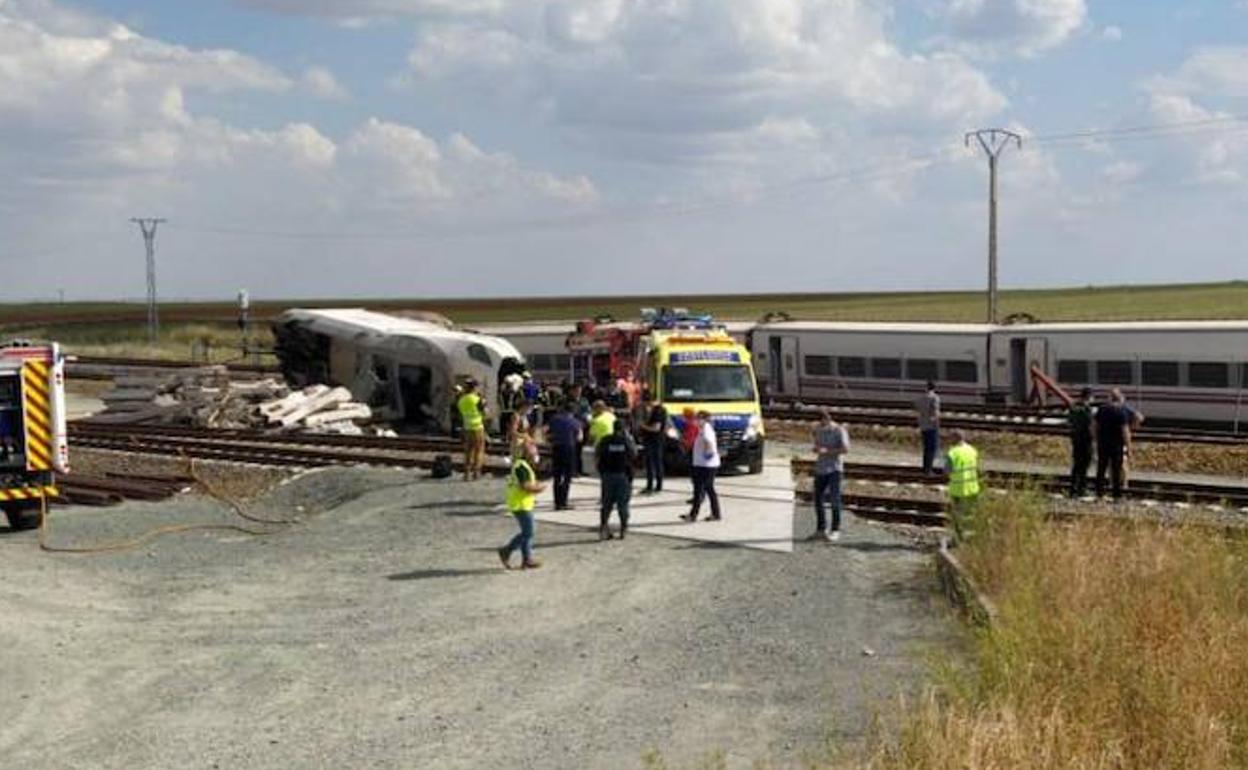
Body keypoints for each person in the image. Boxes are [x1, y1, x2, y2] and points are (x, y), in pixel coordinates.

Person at [498, 439, 546, 570]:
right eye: (533, 448)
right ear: (526, 451)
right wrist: (539, 488)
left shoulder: (524, 465)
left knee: (527, 532)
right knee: (528, 532)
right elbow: (525, 486)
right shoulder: (521, 466)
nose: (536, 451)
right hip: (520, 504)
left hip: (523, 503)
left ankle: (527, 559)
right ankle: (506, 550)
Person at [810, 409, 850, 542]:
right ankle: (821, 529)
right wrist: (816, 448)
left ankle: (835, 529)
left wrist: (827, 451)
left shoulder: (839, 430)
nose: (820, 426)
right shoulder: (817, 430)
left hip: (834, 469)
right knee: (818, 499)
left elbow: (845, 449)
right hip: (820, 468)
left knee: (834, 500)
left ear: (827, 420)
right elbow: (817, 445)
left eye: (821, 423)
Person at [596, 420, 637, 540]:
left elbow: (598, 455)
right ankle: (623, 529)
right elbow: (634, 455)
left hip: (607, 475)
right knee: (623, 505)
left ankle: (603, 528)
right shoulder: (626, 441)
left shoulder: (605, 440)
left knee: (606, 504)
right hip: (623, 476)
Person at [681, 411, 722, 523]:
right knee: (707, 489)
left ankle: (694, 515)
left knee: (701, 489)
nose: (696, 420)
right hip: (704, 464)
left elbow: (709, 443)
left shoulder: (706, 429)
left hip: (705, 465)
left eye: (698, 418)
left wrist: (708, 454)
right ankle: (715, 513)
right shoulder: (704, 429)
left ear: (704, 419)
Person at [1095, 388, 1130, 501]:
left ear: (1110, 398)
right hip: (1116, 445)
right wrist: (1128, 446)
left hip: (1103, 443)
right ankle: (1116, 495)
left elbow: (1093, 425)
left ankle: (1099, 493)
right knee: (1116, 469)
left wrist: (1096, 439)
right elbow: (1125, 431)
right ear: (1119, 399)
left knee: (1101, 468)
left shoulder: (1102, 409)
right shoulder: (1121, 411)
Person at [945, 429, 980, 541]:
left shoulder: (953, 453)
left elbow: (947, 470)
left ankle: (959, 537)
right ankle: (971, 535)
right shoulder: (972, 450)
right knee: (970, 513)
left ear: (955, 438)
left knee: (957, 515)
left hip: (958, 489)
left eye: (950, 438)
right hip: (972, 486)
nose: (949, 440)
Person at [547, 402, 582, 511]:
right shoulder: (575, 422)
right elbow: (579, 437)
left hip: (556, 448)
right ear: (573, 411)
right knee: (567, 476)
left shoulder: (554, 419)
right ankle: (564, 501)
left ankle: (557, 502)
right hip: (568, 449)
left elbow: (547, 431)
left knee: (557, 476)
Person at [456, 380, 487, 481]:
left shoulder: (461, 400)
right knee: (479, 450)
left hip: (467, 427)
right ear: (474, 388)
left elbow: (461, 413)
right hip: (478, 427)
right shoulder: (477, 400)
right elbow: (485, 413)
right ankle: (476, 472)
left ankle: (466, 473)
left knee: (468, 451)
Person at [638, 391, 668, 494]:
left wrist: (643, 426)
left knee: (654, 462)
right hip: (652, 439)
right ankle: (652, 485)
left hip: (655, 440)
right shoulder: (657, 410)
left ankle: (655, 486)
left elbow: (656, 428)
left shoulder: (658, 411)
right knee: (651, 463)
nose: (646, 406)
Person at [1067, 387, 1095, 498]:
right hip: (1085, 440)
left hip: (1075, 440)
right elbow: (1090, 425)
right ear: (1089, 397)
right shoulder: (1087, 409)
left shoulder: (1073, 408)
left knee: (1076, 465)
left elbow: (1070, 421)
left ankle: (1072, 489)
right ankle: (1082, 489)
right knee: (1084, 465)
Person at [916, 380, 941, 475]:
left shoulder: (920, 398)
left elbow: (917, 407)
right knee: (932, 448)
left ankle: (925, 468)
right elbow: (935, 412)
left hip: (923, 425)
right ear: (934, 388)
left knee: (926, 448)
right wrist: (936, 422)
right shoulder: (935, 398)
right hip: (932, 426)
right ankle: (929, 470)